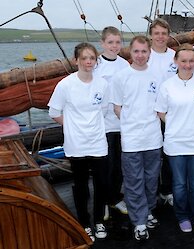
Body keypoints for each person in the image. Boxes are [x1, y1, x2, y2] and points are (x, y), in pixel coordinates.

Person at [48, 42, 109, 242]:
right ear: (76, 61)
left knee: (101, 183)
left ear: (96, 61)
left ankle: (99, 220)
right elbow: (54, 112)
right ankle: (84, 222)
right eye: (84, 58)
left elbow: (104, 109)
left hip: (98, 142)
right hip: (77, 145)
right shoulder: (66, 85)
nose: (88, 62)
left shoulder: (102, 84)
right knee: (81, 185)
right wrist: (72, 126)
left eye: (92, 58)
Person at [155, 44, 194, 233]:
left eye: (191, 61)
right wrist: (176, 124)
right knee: (180, 185)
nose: (187, 65)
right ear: (176, 62)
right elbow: (161, 111)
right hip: (175, 143)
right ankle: (182, 216)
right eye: (183, 61)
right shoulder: (167, 86)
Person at [110, 35, 163, 241]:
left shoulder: (157, 75)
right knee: (134, 182)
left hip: (153, 137)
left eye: (144, 51)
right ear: (130, 52)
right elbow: (117, 107)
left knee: (151, 180)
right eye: (136, 51)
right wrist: (132, 123)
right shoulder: (121, 77)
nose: (140, 56)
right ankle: (139, 221)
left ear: (149, 52)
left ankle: (148, 210)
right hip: (131, 139)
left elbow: (161, 104)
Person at [94, 26, 129, 220]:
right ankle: (104, 201)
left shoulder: (124, 65)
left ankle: (115, 198)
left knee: (119, 166)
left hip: (121, 124)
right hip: (103, 125)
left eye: (117, 42)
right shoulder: (96, 65)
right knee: (104, 166)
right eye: (110, 42)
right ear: (102, 43)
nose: (114, 46)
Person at [148, 18, 177, 206]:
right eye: (156, 33)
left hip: (170, 113)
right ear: (151, 35)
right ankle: (150, 192)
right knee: (151, 155)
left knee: (169, 152)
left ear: (168, 36)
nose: (160, 37)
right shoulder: (144, 55)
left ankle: (167, 189)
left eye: (163, 33)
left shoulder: (175, 56)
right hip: (148, 113)